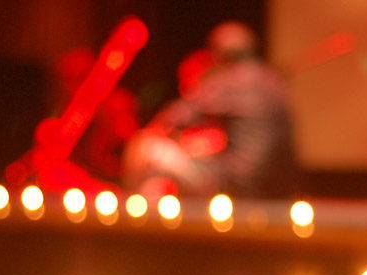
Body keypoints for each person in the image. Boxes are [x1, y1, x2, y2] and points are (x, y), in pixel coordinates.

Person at [123, 21, 296, 198]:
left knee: (147, 147)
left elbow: (173, 117)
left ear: (219, 53)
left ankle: (130, 216)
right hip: (275, 188)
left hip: (235, 184)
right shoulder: (273, 81)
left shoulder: (229, 80)